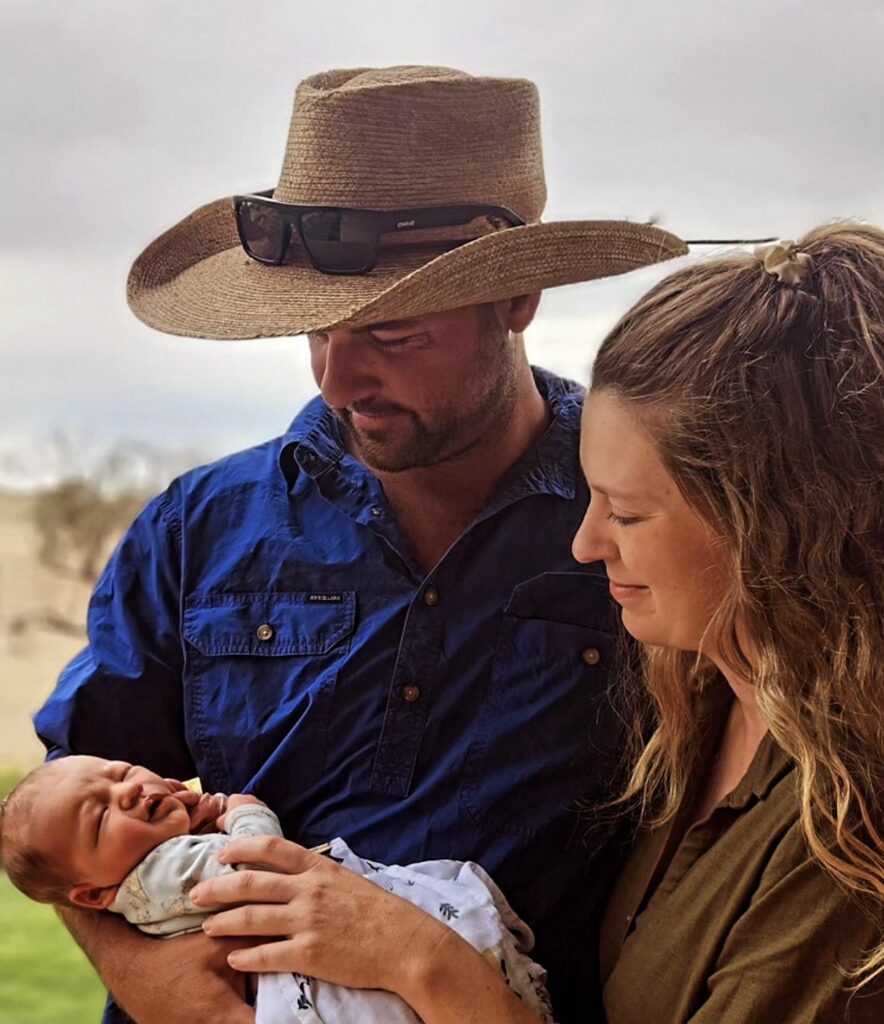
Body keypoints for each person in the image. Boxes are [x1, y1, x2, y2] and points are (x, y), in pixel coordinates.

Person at [33, 65, 686, 1024]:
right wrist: (148, 978)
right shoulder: (198, 526)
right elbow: (58, 817)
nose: (339, 381)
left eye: (390, 333)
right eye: (315, 332)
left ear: (517, 299)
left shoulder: (646, 518)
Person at [189, 223, 884, 1023]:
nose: (585, 545)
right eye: (589, 495)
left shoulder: (845, 824)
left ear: (779, 525)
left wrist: (414, 956)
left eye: (626, 513)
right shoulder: (702, 700)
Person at [0, 756, 552, 1023]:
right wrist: (243, 813)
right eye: (99, 819)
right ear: (94, 896)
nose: (126, 792)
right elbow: (253, 866)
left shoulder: (150, 883)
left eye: (121, 773)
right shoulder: (160, 871)